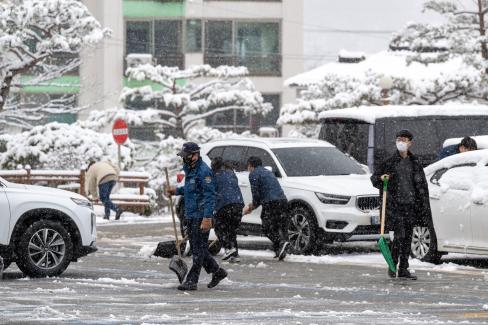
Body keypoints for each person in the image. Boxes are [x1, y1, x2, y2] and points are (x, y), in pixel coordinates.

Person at [371, 130, 432, 280]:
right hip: (395, 206)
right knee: (399, 236)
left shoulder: (415, 162)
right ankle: (393, 265)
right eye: (398, 139)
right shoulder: (389, 162)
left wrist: (423, 205)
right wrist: (381, 178)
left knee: (408, 237)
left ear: (410, 143)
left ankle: (404, 268)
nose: (401, 142)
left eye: (404, 140)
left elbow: (422, 185)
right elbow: (374, 179)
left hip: (411, 205)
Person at [167, 142, 227, 291]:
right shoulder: (191, 170)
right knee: (197, 248)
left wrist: (207, 217)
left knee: (198, 250)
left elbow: (209, 195)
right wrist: (176, 191)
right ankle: (217, 272)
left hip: (201, 216)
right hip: (192, 215)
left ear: (195, 155)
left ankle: (192, 281)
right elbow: (191, 190)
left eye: (185, 156)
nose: (184, 159)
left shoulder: (203, 171)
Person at [243, 156, 290, 261]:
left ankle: (281, 243)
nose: (248, 168)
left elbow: (256, 195)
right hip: (282, 201)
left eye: (248, 166)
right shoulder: (268, 172)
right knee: (279, 225)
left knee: (266, 227)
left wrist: (251, 207)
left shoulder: (253, 174)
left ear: (251, 166)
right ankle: (280, 250)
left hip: (270, 203)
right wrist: (253, 205)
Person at [211, 157, 245, 263]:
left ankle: (229, 249)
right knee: (231, 230)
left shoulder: (213, 176)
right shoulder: (231, 173)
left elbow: (210, 191)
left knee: (219, 228)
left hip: (224, 205)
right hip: (238, 204)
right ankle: (234, 253)